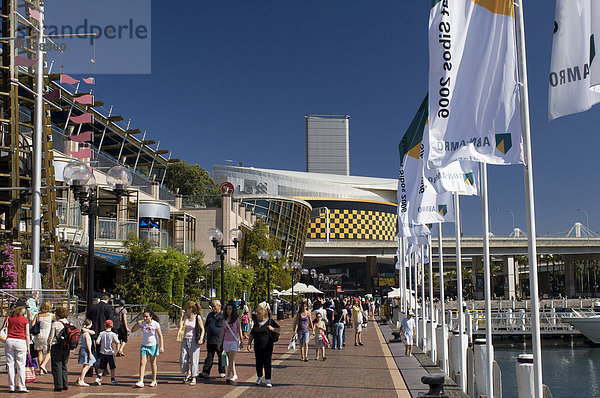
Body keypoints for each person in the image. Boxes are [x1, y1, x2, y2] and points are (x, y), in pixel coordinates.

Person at [247, 306, 280, 388]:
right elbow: (252, 333)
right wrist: (249, 343)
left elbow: (279, 329)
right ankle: (259, 377)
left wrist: (272, 329)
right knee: (258, 362)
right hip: (257, 345)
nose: (256, 315)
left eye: (258, 314)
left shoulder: (270, 321)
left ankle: (268, 379)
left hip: (267, 345)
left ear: (262, 315)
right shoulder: (256, 322)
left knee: (267, 362)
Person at [131, 310, 164, 388]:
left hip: (153, 345)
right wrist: (137, 323)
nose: (145, 318)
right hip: (144, 345)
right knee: (142, 362)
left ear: (151, 316)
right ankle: (141, 380)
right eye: (144, 316)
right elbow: (133, 330)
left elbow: (160, 335)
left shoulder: (155, 324)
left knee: (153, 363)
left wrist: (161, 346)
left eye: (146, 316)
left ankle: (154, 380)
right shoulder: (142, 323)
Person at [86, 294, 114, 374]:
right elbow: (111, 320)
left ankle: (90, 367)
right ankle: (101, 367)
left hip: (93, 331)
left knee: (94, 350)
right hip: (104, 332)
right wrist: (114, 332)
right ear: (107, 300)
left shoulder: (93, 307)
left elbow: (88, 319)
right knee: (104, 351)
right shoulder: (108, 307)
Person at [178, 301, 205, 386]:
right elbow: (180, 326)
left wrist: (201, 338)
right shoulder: (185, 317)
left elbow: (202, 329)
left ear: (191, 309)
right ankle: (188, 372)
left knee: (194, 360)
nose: (185, 310)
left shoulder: (197, 317)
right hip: (185, 339)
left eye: (186, 308)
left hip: (194, 340)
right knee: (183, 359)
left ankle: (194, 377)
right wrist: (181, 316)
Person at [4, 305, 30, 393]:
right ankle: (22, 386)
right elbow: (27, 334)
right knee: (21, 364)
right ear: (21, 309)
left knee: (10, 364)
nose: (25, 310)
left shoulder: (8, 318)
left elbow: (5, 327)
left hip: (9, 340)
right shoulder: (24, 319)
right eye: (24, 308)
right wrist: (28, 346)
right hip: (20, 341)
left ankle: (11, 386)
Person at [47, 306, 71, 391]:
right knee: (64, 365)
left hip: (57, 346)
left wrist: (48, 345)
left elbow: (51, 337)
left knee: (57, 365)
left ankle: (58, 385)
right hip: (67, 347)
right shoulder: (69, 323)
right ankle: (65, 384)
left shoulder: (55, 324)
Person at [218, 301, 243, 383]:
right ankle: (235, 374)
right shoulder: (225, 320)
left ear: (233, 310)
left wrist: (241, 340)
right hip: (226, 341)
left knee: (231, 360)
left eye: (230, 309)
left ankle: (228, 376)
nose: (228, 311)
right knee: (229, 358)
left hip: (234, 341)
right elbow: (222, 331)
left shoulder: (237, 319)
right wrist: (219, 341)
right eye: (227, 309)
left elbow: (239, 330)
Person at [201, 300, 225, 379]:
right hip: (210, 340)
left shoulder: (223, 315)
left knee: (221, 356)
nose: (213, 308)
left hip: (220, 341)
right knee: (209, 356)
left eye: (214, 306)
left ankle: (222, 371)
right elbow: (206, 326)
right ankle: (205, 372)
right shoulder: (210, 315)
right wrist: (204, 336)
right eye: (212, 307)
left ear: (219, 306)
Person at [95, 320, 120, 386]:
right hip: (110, 353)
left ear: (105, 326)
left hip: (103, 352)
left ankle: (98, 378)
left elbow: (97, 342)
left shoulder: (101, 333)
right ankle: (112, 379)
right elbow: (118, 342)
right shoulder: (113, 334)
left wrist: (101, 344)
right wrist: (117, 350)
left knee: (101, 367)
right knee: (112, 367)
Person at [32, 300, 53, 374]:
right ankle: (43, 365)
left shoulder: (37, 315)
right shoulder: (51, 315)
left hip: (38, 335)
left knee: (39, 352)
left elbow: (32, 324)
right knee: (49, 351)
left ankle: (40, 370)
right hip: (47, 335)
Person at [77, 319, 96, 386]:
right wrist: (90, 353)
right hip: (86, 350)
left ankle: (80, 378)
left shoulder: (84, 333)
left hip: (83, 349)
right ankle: (81, 380)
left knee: (87, 364)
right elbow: (88, 344)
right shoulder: (86, 335)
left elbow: (93, 332)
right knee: (88, 364)